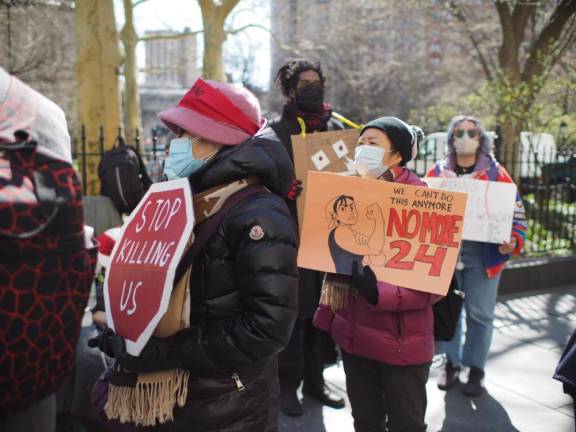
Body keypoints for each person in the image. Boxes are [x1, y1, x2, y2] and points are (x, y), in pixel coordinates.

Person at [89, 78, 299, 431]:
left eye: (187, 135)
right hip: (184, 401)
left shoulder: (259, 211)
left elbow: (268, 327)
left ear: (222, 138)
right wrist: (127, 333)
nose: (176, 145)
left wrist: (162, 353)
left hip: (227, 405)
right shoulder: (186, 200)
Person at [314, 116, 441, 432]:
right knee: (365, 422)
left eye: (373, 143)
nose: (363, 148)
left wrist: (376, 291)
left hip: (402, 342)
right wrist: (324, 322)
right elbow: (335, 269)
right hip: (355, 339)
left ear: (396, 155)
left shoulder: (422, 198)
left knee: (406, 424)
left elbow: (432, 283)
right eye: (361, 142)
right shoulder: (345, 192)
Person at [427, 115, 527, 397]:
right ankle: (451, 364)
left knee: (480, 314)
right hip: (447, 253)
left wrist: (513, 241)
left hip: (484, 254)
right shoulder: (437, 173)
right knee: (449, 312)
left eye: (472, 132)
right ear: (451, 137)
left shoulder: (497, 174)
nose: (465, 137)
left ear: (481, 138)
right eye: (459, 132)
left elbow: (517, 215)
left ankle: (476, 369)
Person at [269, 59, 346, 416]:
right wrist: (284, 190)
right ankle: (288, 385)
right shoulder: (273, 133)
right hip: (290, 238)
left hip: (329, 238)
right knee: (293, 314)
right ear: (290, 90)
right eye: (305, 83)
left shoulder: (338, 131)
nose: (313, 88)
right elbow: (261, 181)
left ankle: (316, 380)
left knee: (322, 311)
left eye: (318, 81)